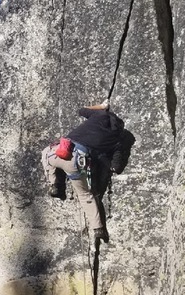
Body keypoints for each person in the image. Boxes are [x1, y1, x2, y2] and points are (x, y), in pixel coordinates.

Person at [41, 102, 134, 244]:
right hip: (78, 162)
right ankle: (98, 228)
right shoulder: (117, 140)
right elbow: (116, 167)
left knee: (45, 152)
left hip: (60, 152)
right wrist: (105, 159)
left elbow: (81, 110)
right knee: (85, 195)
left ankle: (54, 184)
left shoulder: (100, 115)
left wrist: (102, 106)